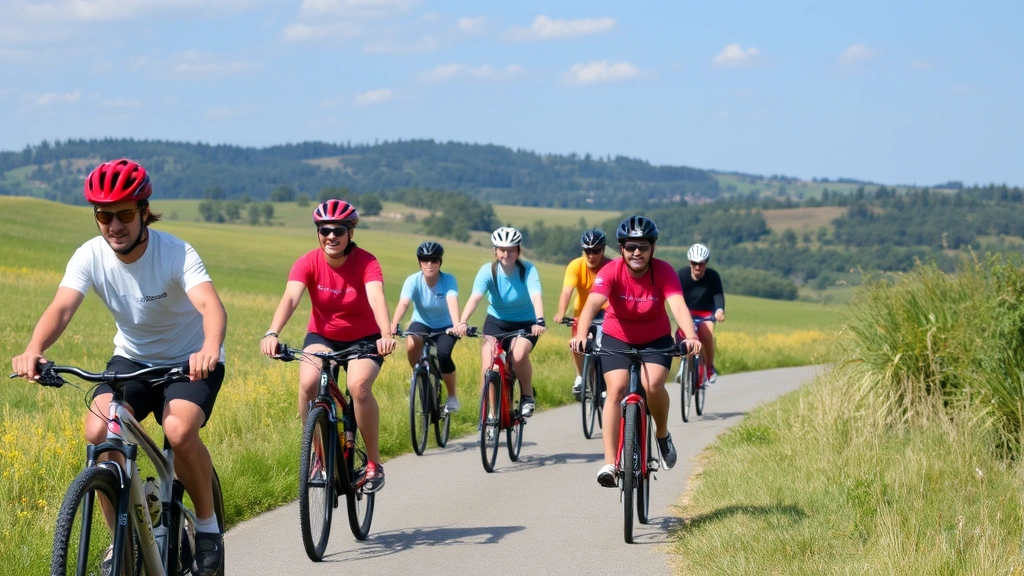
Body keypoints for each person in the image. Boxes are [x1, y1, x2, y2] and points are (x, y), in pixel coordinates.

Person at [11, 159, 228, 575]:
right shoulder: (90, 256)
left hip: (189, 361)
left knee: (179, 430)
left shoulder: (176, 253)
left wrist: (210, 347)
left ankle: (206, 526)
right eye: (104, 215)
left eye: (125, 214)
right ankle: (121, 541)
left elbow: (210, 306)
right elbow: (61, 308)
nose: (114, 225)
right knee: (100, 433)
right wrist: (34, 348)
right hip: (132, 361)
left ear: (145, 211)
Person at [260, 199, 396, 493]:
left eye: (338, 230)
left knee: (359, 386)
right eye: (324, 230)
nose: (331, 236)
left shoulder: (367, 262)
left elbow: (376, 298)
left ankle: (373, 463)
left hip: (365, 339)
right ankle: (316, 451)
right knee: (308, 383)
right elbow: (291, 298)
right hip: (323, 337)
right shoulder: (308, 262)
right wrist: (273, 332)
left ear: (350, 232)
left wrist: (386, 334)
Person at [569, 215, 701, 487]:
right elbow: (593, 304)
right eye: (630, 247)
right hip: (618, 337)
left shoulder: (663, 271)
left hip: (656, 339)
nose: (636, 252)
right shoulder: (611, 271)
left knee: (653, 384)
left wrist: (691, 336)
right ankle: (609, 463)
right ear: (621, 249)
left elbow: (677, 306)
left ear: (653, 248)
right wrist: (581, 335)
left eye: (643, 246)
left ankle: (662, 435)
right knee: (615, 390)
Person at [452, 226, 545, 417]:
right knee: (489, 363)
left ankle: (527, 396)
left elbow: (536, 296)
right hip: (497, 322)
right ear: (495, 251)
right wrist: (462, 321)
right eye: (502, 249)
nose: (506, 254)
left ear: (518, 250)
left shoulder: (528, 270)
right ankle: (491, 415)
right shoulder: (488, 271)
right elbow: (475, 297)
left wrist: (540, 321)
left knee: (518, 355)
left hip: (525, 323)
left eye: (511, 249)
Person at [390, 241, 463, 413]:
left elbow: (452, 301)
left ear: (440, 262)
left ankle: (452, 397)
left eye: (434, 260)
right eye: (425, 260)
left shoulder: (448, 280)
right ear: (419, 261)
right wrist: (394, 324)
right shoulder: (413, 281)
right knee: (412, 341)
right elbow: (404, 302)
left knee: (444, 354)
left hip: (446, 326)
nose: (429, 264)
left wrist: (457, 324)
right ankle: (417, 375)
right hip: (422, 321)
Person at [553, 228, 611, 397]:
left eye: (596, 251)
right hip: (582, 311)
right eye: (587, 251)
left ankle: (607, 381)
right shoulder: (576, 265)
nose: (591, 255)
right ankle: (580, 377)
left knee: (605, 346)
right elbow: (567, 291)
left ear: (603, 250)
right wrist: (561, 312)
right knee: (577, 343)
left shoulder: (610, 266)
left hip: (605, 310)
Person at [677, 243, 725, 383]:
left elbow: (718, 296)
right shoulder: (682, 275)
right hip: (687, 312)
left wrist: (720, 311)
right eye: (694, 263)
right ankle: (684, 365)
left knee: (705, 332)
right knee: (680, 334)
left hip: (706, 314)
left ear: (706, 263)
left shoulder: (713, 276)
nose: (698, 267)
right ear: (689, 262)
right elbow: (676, 296)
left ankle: (709, 367)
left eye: (701, 264)